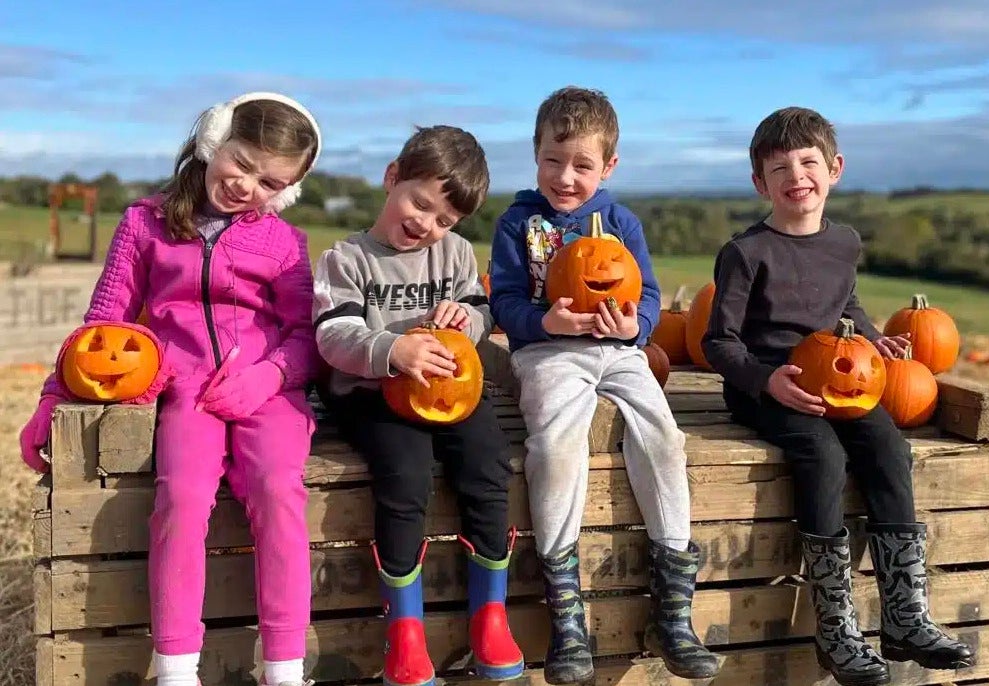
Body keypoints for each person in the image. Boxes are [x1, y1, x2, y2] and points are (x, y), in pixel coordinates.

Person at [19, 92, 322, 686]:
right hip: (184, 392)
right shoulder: (144, 224)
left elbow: (305, 334)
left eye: (270, 181)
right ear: (214, 140)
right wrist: (54, 396)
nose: (246, 186)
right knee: (181, 500)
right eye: (241, 161)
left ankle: (284, 668)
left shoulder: (286, 244)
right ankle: (177, 666)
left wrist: (270, 375)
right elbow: (104, 321)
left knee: (278, 488)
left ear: (287, 191)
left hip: (267, 391)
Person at [703, 106, 976, 686]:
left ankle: (905, 616)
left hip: (841, 381)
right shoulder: (746, 253)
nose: (795, 175)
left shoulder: (844, 242)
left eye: (807, 162)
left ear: (835, 169)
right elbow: (718, 343)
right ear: (760, 184)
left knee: (887, 447)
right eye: (779, 168)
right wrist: (765, 379)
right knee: (822, 453)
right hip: (768, 385)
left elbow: (845, 309)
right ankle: (836, 629)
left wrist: (877, 341)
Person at [489, 86, 720, 684]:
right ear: (535, 154)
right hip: (548, 352)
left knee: (664, 438)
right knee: (559, 444)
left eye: (583, 165)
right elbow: (505, 301)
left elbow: (644, 296)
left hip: (618, 352)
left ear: (608, 166)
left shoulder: (621, 223)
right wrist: (545, 321)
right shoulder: (518, 223)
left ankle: (674, 611)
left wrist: (636, 326)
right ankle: (567, 614)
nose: (566, 177)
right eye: (553, 161)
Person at [312, 125, 523, 686]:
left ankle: (490, 614)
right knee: (405, 477)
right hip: (370, 394)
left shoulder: (452, 255)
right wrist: (392, 349)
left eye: (444, 221)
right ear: (392, 178)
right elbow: (333, 336)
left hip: (449, 387)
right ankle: (405, 629)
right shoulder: (348, 259)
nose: (426, 224)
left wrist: (467, 320)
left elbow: (481, 312)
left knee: (487, 465)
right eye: (420, 203)